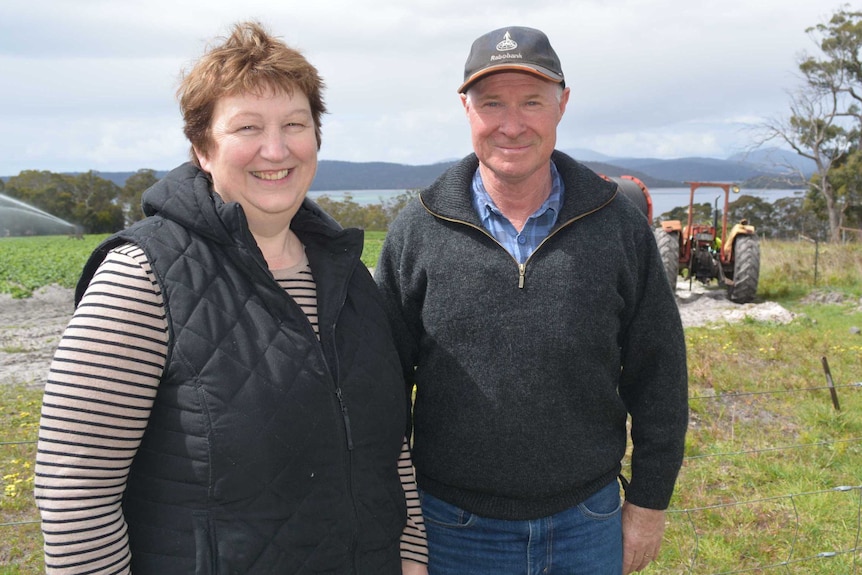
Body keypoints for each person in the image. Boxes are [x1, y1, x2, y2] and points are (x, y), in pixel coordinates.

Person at [34, 21, 427, 575]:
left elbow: (389, 452)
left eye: (295, 124)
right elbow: (75, 492)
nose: (276, 148)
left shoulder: (348, 276)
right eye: (247, 127)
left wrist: (411, 561)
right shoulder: (143, 278)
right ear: (202, 147)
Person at [374, 26, 688, 575]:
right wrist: (399, 523)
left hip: (587, 524)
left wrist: (649, 504)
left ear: (563, 105)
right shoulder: (416, 232)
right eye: (492, 102)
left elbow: (660, 375)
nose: (511, 124)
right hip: (451, 528)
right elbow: (381, 390)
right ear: (465, 107)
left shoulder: (618, 227)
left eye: (532, 102)